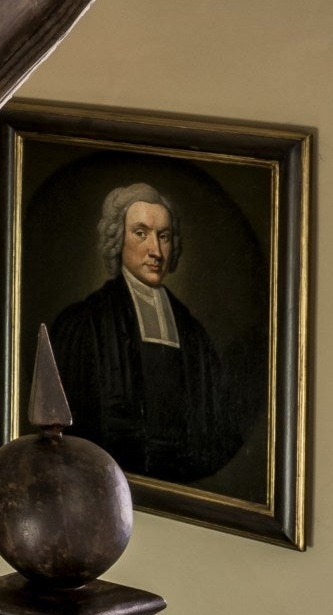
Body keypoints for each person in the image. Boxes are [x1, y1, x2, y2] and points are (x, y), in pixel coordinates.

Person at [47, 183, 246, 486]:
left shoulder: (192, 333)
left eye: (163, 236)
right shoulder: (84, 323)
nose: (156, 250)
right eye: (141, 233)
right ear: (117, 239)